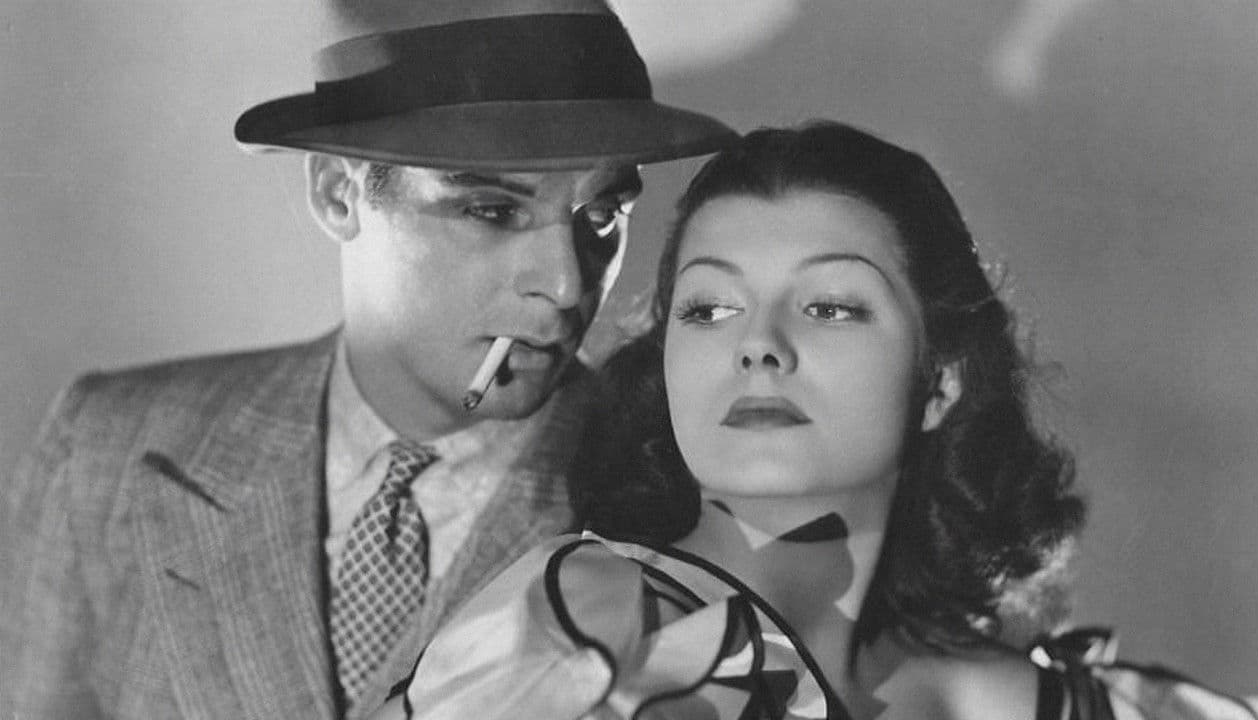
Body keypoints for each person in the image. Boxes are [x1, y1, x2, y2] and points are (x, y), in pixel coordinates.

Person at [0, 1, 736, 718]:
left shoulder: (677, 492)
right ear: (337, 193)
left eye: (602, 215)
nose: (567, 284)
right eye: (493, 210)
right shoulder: (107, 451)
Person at [385, 122, 1258, 719]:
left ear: (940, 383)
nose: (759, 347)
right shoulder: (584, 638)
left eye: (831, 307)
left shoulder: (1070, 700)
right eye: (709, 309)